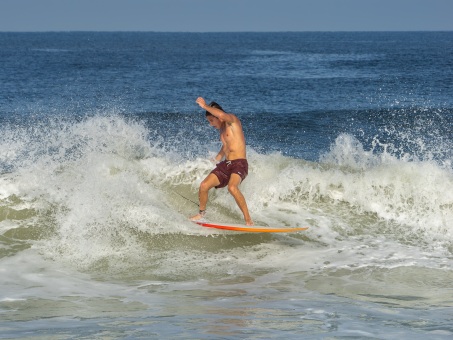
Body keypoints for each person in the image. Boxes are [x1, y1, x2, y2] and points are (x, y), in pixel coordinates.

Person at [190, 97, 254, 226]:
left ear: (217, 116)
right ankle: (201, 214)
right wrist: (217, 158)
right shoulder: (222, 130)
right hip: (227, 164)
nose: (211, 124)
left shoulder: (232, 120)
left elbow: (222, 115)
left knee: (232, 187)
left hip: (239, 164)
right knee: (204, 186)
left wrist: (204, 106)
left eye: (211, 120)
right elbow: (226, 146)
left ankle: (248, 220)